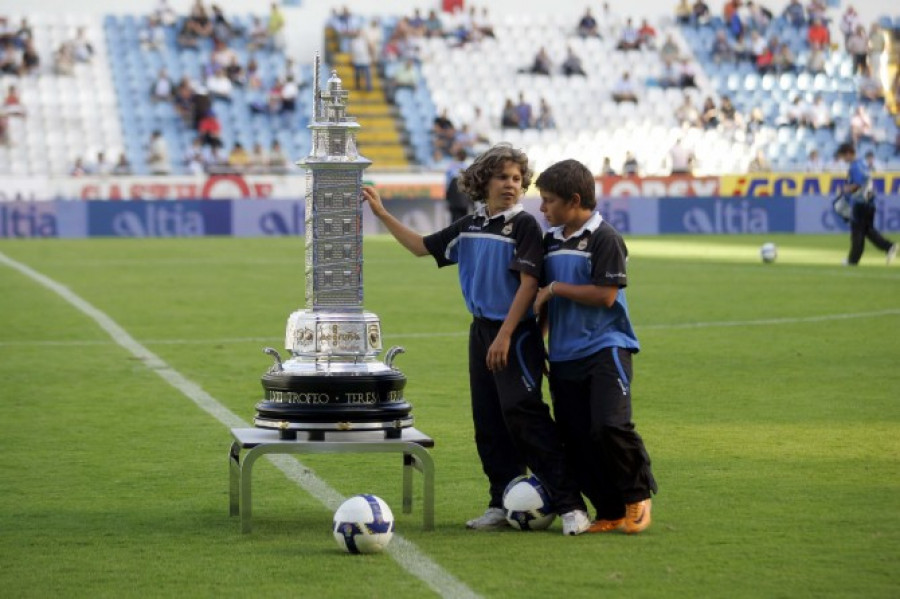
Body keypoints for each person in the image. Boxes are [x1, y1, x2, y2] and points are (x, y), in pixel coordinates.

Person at [361, 144, 592, 535]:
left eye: (518, 179)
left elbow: (529, 283)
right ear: (483, 180)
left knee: (525, 417)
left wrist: (505, 335)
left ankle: (571, 505)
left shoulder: (524, 227)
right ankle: (501, 501)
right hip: (481, 331)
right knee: (488, 422)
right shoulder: (471, 225)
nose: (512, 185)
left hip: (514, 333)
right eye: (503, 177)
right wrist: (382, 213)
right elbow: (422, 247)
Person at [532, 159, 657, 534]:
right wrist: (539, 344)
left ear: (574, 200)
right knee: (576, 438)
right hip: (564, 354)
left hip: (606, 348)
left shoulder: (606, 238)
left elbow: (605, 295)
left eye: (549, 200)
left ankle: (637, 496)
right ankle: (610, 510)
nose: (542, 208)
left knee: (609, 425)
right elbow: (542, 303)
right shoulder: (550, 240)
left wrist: (554, 288)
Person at [834, 142, 897, 266]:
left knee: (857, 231)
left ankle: (853, 260)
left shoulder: (854, 167)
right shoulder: (863, 163)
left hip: (861, 203)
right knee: (867, 230)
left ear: (848, 153)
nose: (843, 160)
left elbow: (857, 185)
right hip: (870, 202)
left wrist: (845, 190)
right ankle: (888, 247)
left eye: (843, 156)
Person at [444, 148, 471, 223]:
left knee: (454, 218)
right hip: (464, 198)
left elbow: (447, 183)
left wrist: (447, 196)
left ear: (457, 156)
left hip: (453, 197)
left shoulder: (451, 167)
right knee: (463, 219)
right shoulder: (468, 168)